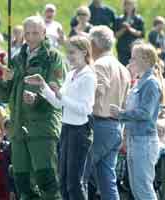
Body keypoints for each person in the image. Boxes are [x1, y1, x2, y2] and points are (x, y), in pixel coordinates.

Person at [0, 16, 67, 200]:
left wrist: (37, 98)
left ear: (44, 33)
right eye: (27, 33)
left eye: (35, 33)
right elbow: (2, 96)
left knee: (46, 180)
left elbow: (56, 91)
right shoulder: (17, 58)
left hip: (42, 127)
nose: (30, 37)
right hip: (19, 129)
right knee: (22, 182)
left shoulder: (53, 57)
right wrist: (5, 80)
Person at [25, 35, 96, 200]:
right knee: (63, 181)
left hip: (80, 131)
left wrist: (60, 96)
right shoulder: (71, 73)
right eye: (68, 53)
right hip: (67, 128)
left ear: (84, 52)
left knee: (74, 182)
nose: (69, 56)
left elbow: (85, 109)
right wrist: (43, 86)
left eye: (73, 53)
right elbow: (58, 103)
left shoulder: (88, 76)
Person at [110, 43, 165, 200]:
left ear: (146, 60)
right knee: (136, 188)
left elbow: (145, 113)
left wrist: (121, 113)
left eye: (134, 58)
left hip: (144, 141)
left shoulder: (151, 83)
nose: (130, 61)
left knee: (143, 188)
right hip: (136, 140)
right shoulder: (140, 82)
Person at [85, 25, 130, 200]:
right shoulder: (123, 68)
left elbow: (99, 90)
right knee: (107, 182)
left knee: (78, 174)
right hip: (115, 128)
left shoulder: (99, 65)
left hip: (99, 126)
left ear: (94, 44)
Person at [115, 0, 145, 66]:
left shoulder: (139, 19)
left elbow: (141, 34)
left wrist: (130, 29)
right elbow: (116, 35)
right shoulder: (119, 19)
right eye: (126, 4)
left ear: (134, 5)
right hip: (122, 49)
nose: (128, 6)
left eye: (130, 4)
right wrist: (124, 29)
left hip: (136, 49)